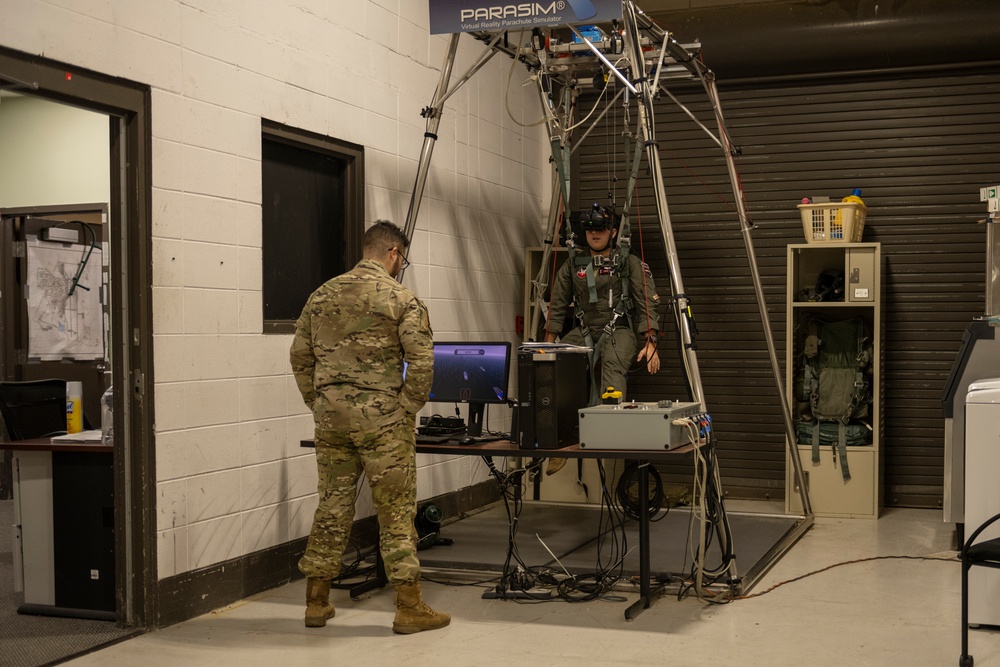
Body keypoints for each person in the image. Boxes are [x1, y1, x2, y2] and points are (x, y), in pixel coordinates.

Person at [289, 219, 450, 634]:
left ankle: (316, 602)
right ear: (394, 253)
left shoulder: (321, 295)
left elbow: (299, 357)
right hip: (383, 422)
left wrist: (318, 402)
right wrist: (405, 408)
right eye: (403, 258)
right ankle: (409, 606)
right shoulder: (402, 299)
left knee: (332, 506)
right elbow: (424, 362)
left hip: (331, 420)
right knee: (396, 512)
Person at [543, 205, 662, 474]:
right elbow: (557, 303)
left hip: (620, 328)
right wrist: (548, 343)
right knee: (554, 365)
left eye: (601, 229)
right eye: (590, 229)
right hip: (584, 329)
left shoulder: (628, 262)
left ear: (613, 231)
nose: (595, 234)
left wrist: (651, 342)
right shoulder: (573, 264)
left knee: (611, 363)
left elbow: (646, 301)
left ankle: (609, 436)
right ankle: (561, 443)